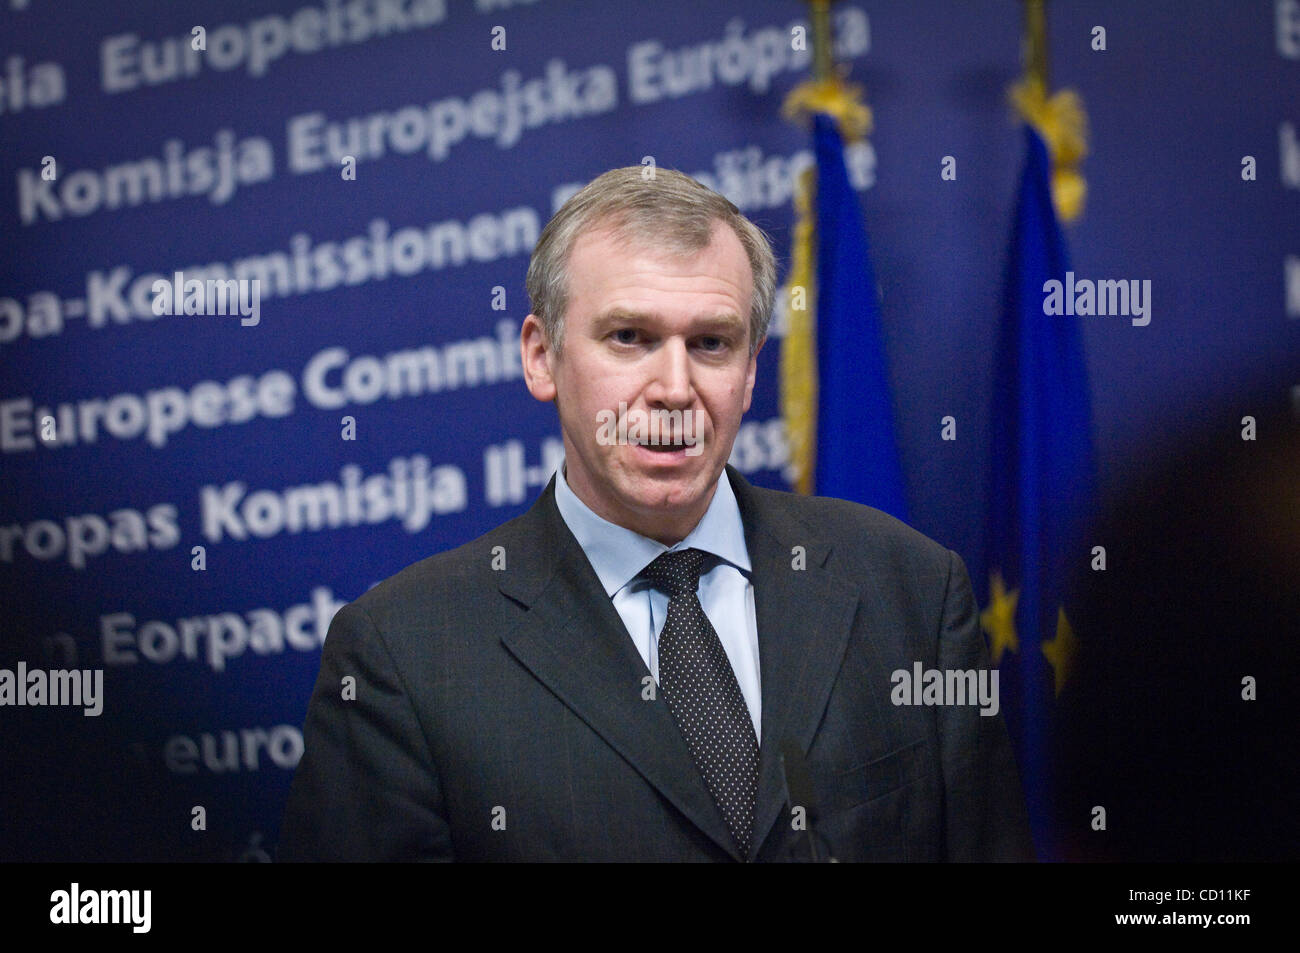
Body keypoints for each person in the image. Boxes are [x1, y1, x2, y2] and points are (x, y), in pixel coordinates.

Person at [278, 167, 1033, 862]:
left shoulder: (912, 590)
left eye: (711, 343)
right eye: (629, 337)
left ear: (749, 371)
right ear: (542, 356)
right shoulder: (402, 655)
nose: (674, 387)